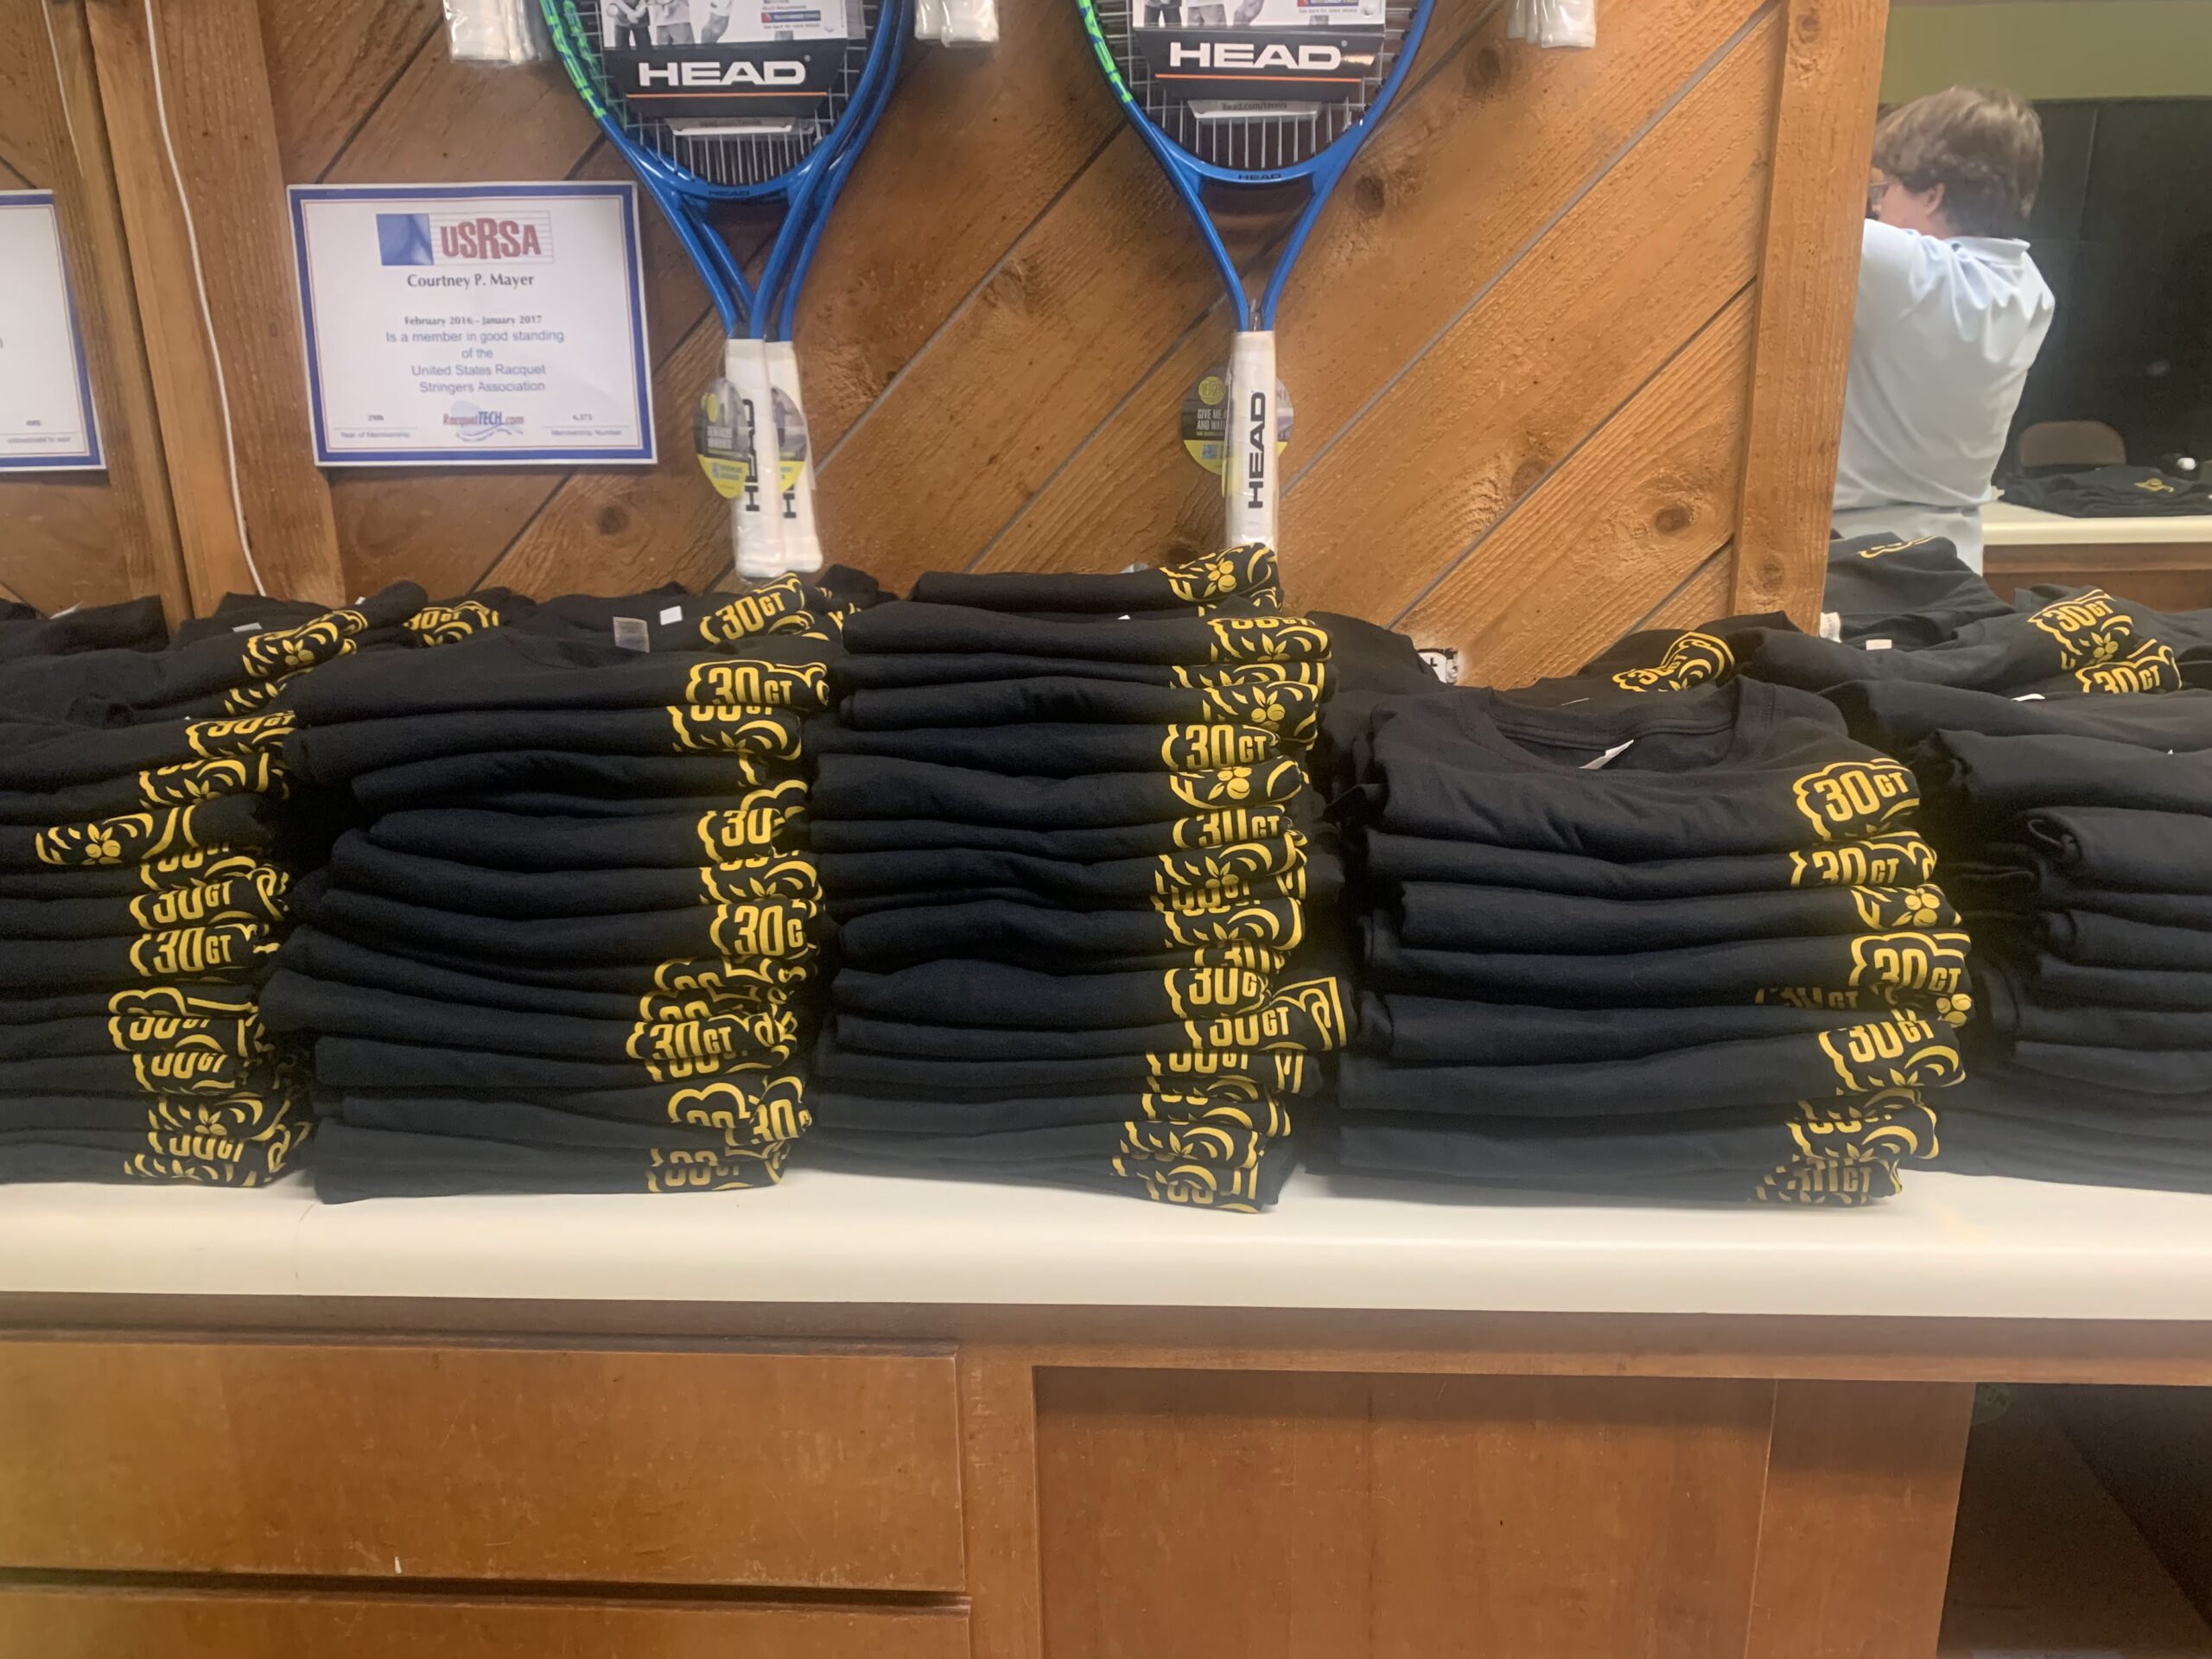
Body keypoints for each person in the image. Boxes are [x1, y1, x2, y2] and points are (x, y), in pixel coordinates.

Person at [1831, 86, 2056, 570]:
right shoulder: (2030, 288)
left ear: (1932, 195)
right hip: (1956, 558)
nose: (1876, 208)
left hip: (1861, 558)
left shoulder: (1909, 269)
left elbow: (1786, 217)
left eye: (1884, 190)